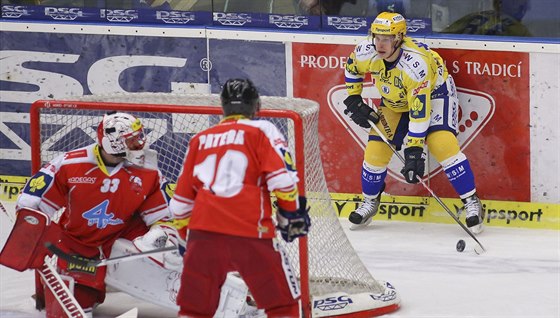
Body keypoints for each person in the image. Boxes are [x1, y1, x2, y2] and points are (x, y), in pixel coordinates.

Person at [0, 112, 175, 317]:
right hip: (79, 243)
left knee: (176, 247)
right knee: (74, 308)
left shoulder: (148, 170)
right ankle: (82, 283)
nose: (141, 143)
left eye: (139, 137)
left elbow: (163, 214)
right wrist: (32, 233)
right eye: (132, 140)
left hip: (122, 234)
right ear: (114, 143)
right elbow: (32, 205)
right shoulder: (70, 165)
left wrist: (161, 231)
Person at [169, 78, 311, 317]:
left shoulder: (200, 139)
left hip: (204, 237)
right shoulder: (262, 130)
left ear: (222, 107)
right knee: (282, 305)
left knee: (194, 310)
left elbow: (180, 205)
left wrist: (188, 240)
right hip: (251, 235)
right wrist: (291, 215)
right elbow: (283, 181)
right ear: (256, 106)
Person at [343, 12, 484, 233]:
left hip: (435, 94)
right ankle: (370, 202)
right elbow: (352, 67)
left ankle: (471, 202)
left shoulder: (415, 64)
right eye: (376, 37)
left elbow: (419, 112)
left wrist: (414, 150)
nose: (380, 44)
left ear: (399, 38)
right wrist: (354, 98)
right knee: (375, 151)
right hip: (395, 101)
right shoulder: (366, 50)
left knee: (442, 144)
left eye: (387, 38)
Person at [442, 0, 532, 36]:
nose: (524, 6)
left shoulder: (476, 15)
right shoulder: (519, 29)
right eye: (517, 1)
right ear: (500, 2)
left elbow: (444, 34)